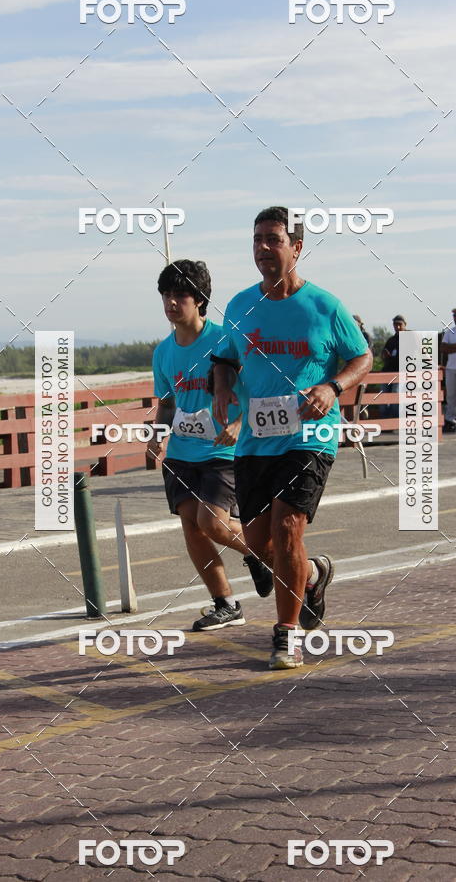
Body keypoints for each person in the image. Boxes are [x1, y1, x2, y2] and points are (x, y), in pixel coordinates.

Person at [212, 207, 372, 670]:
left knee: (286, 530)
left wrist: (333, 386)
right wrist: (222, 386)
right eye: (257, 239)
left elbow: (362, 357)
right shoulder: (241, 305)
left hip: (311, 435)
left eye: (273, 240)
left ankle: (286, 635)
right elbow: (223, 358)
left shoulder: (325, 306)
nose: (263, 248)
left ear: (297, 247)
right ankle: (315, 576)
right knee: (260, 543)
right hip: (256, 442)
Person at [150, 259, 273, 632]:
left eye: (181, 295)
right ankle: (225, 603)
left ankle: (266, 555)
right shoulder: (162, 353)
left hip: (223, 450)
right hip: (183, 454)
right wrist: (158, 438)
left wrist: (238, 422)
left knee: (212, 521)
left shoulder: (224, 340)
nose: (172, 303)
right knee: (193, 528)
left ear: (200, 300)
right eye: (167, 295)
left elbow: (255, 388)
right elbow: (168, 402)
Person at [381, 315, 407, 420]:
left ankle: (395, 421)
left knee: (396, 394)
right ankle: (385, 420)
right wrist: (385, 355)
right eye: (395, 324)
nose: (398, 327)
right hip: (388, 371)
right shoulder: (391, 340)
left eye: (400, 324)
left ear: (405, 325)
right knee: (382, 395)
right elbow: (383, 354)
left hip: (401, 372)